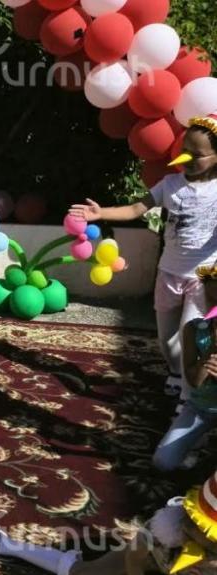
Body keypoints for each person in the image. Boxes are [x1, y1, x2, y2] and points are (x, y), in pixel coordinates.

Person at [70, 113, 217, 402]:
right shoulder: (170, 184)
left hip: (202, 278)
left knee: (190, 337)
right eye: (185, 150)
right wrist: (101, 213)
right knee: (166, 340)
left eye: (197, 155)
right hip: (168, 273)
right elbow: (136, 208)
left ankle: (188, 398)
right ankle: (176, 372)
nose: (188, 157)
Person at [0, 469, 217, 575]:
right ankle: (5, 543)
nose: (194, 532)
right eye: (193, 526)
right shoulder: (163, 528)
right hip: (155, 559)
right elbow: (134, 559)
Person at [153, 262, 217, 471]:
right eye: (211, 298)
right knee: (164, 462)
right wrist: (212, 348)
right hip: (202, 408)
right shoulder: (194, 329)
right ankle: (198, 438)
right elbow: (194, 381)